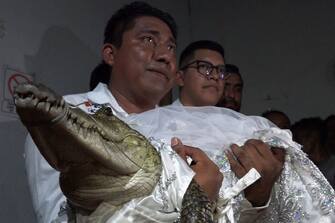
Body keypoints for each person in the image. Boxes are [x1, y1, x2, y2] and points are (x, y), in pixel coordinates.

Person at [24, 2, 222, 222]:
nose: (164, 56)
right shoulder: (62, 116)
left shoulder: (185, 130)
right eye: (148, 40)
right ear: (110, 54)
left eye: (171, 47)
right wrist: (194, 202)